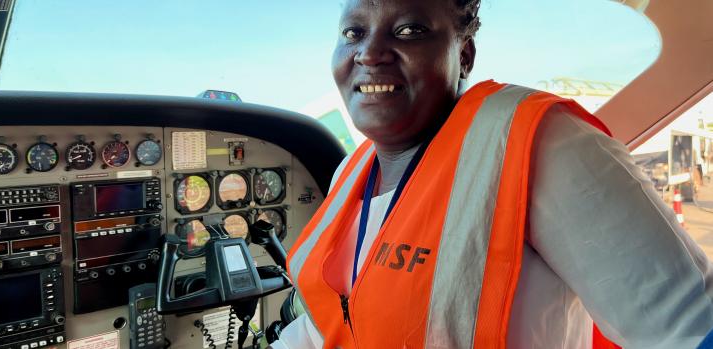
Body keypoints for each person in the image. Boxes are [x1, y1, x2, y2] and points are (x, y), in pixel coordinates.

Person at [270, 0, 713, 348]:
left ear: (464, 55)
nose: (369, 53)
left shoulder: (539, 144)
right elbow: (326, 323)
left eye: (409, 30)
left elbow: (692, 328)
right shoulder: (351, 169)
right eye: (353, 32)